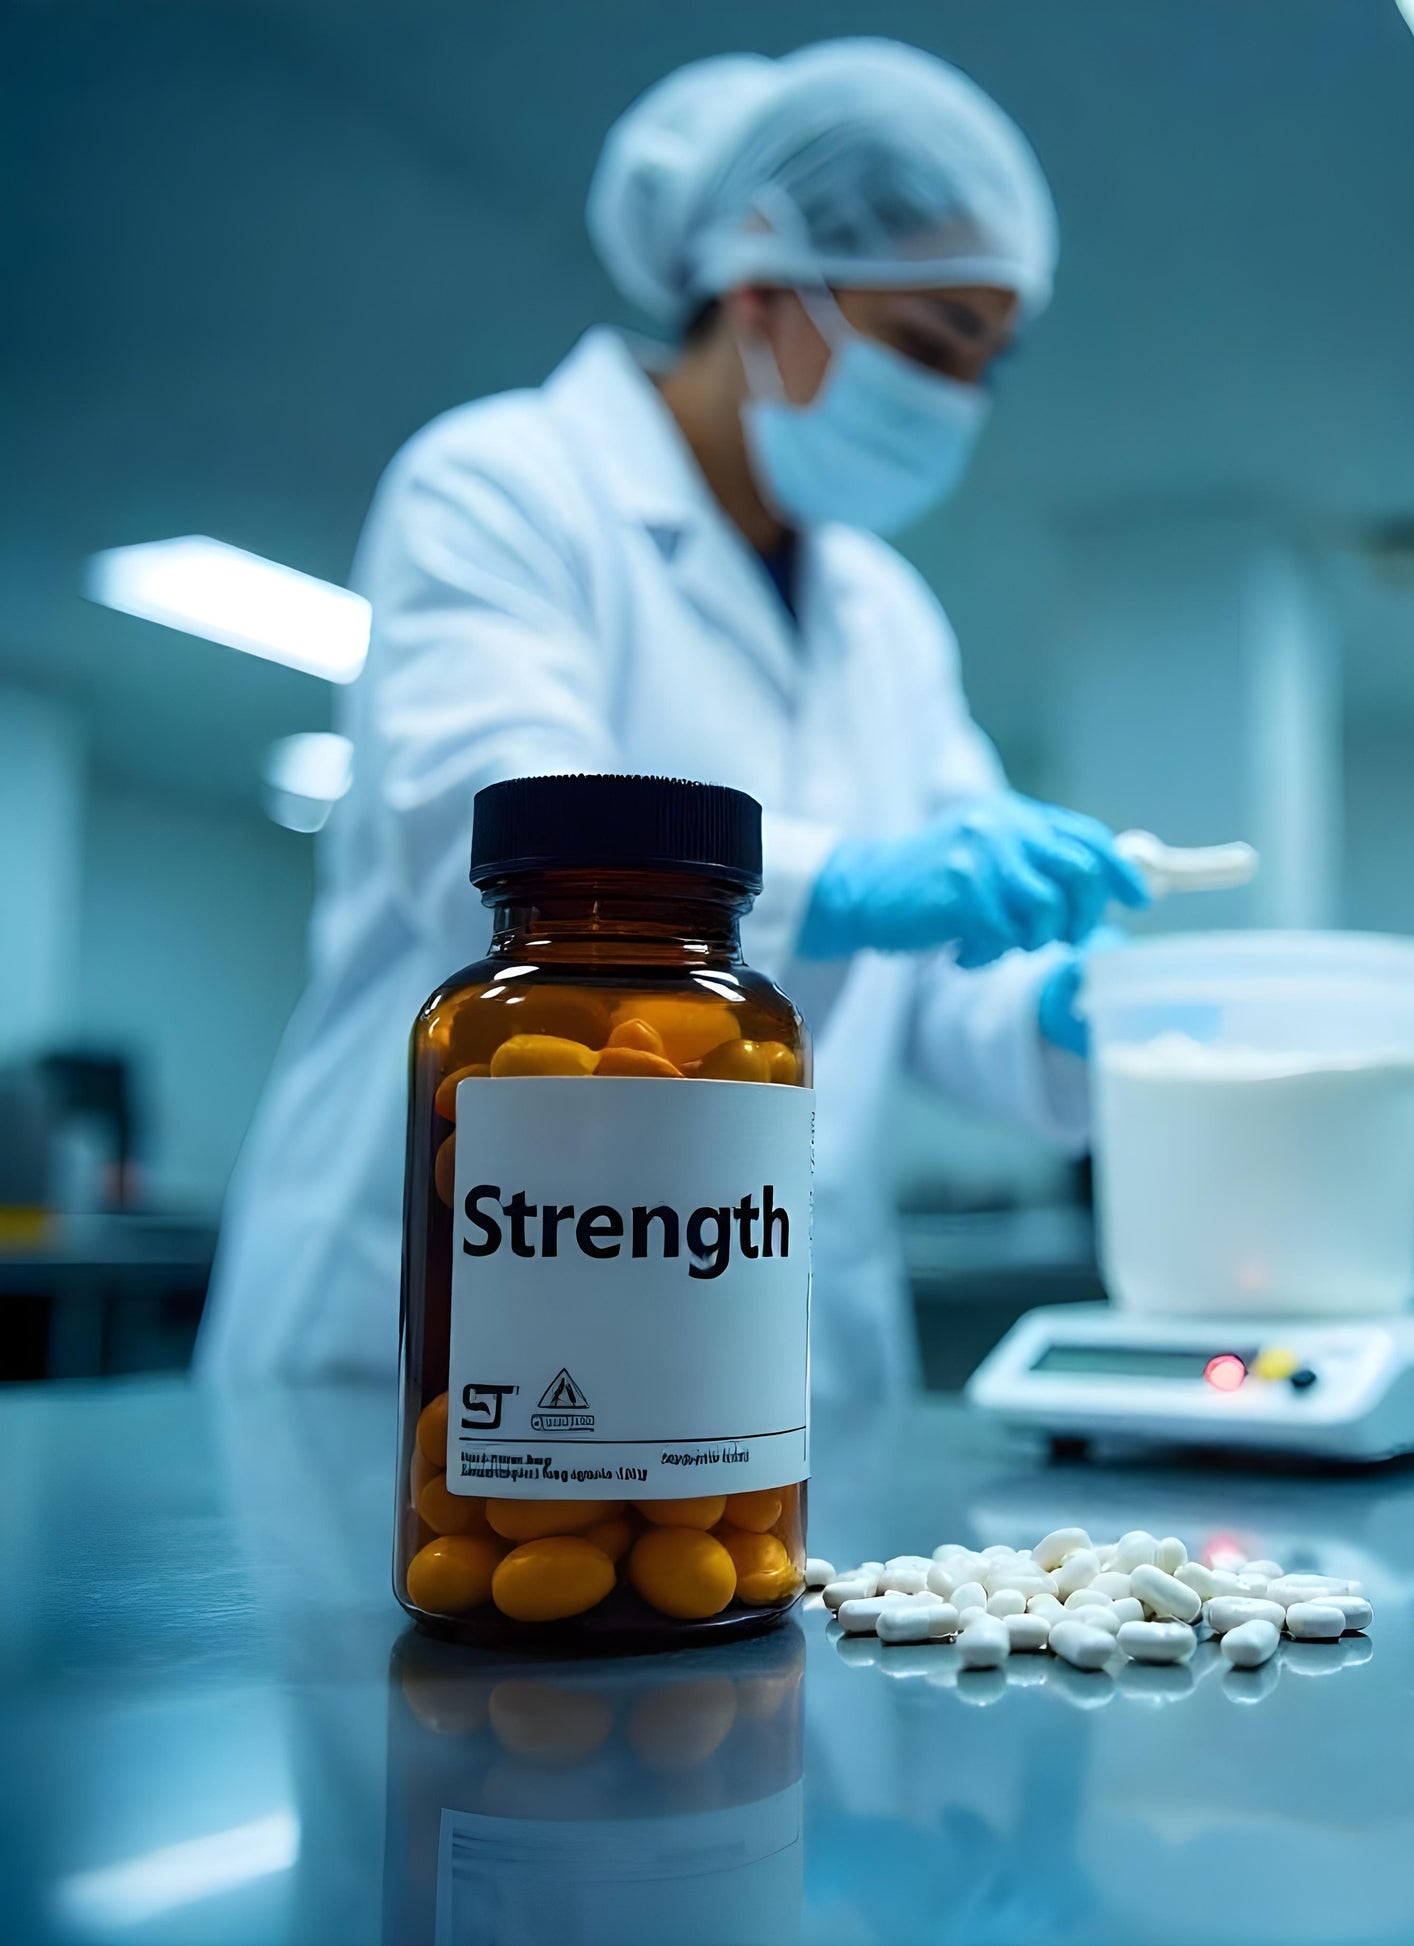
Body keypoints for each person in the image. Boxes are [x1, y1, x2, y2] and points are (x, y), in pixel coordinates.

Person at [197, 38, 1147, 1406]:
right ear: (765, 296)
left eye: (984, 365)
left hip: (755, 1331)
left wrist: (1061, 1012)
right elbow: (491, 847)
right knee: (434, 1606)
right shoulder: (505, 487)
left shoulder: (887, 614)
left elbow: (931, 981)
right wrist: (848, 880)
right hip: (448, 1306)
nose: (954, 405)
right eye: (930, 344)